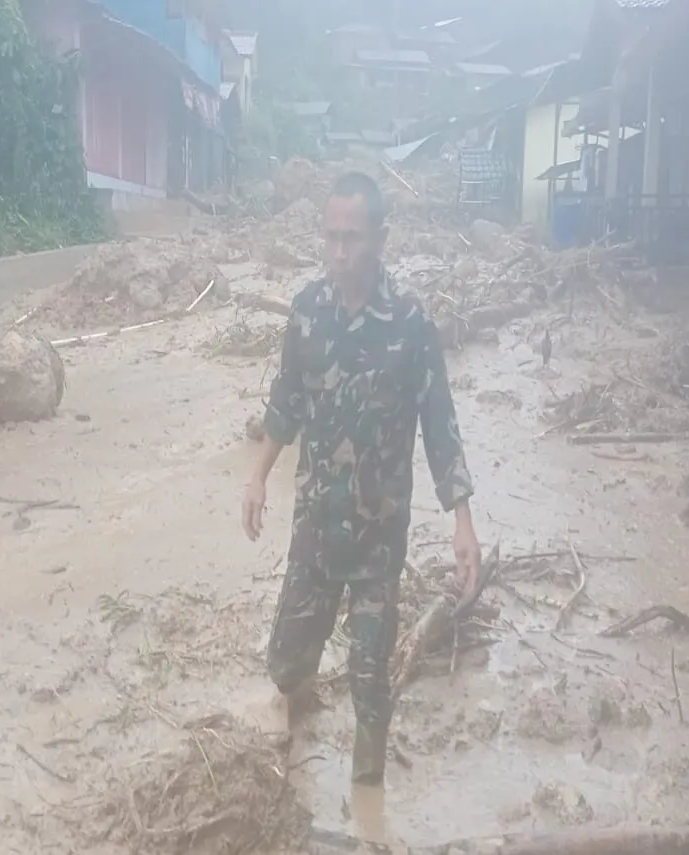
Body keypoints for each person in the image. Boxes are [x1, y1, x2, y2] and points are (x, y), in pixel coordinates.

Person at [240, 171, 481, 786]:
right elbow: (285, 403)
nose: (340, 251)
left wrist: (462, 523)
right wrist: (258, 478)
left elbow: (441, 425)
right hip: (316, 532)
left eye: (352, 237)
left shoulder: (410, 323)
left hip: (378, 542)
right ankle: (297, 715)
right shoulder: (307, 312)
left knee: (370, 691)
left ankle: (368, 803)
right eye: (331, 237)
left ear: (380, 238)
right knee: (285, 663)